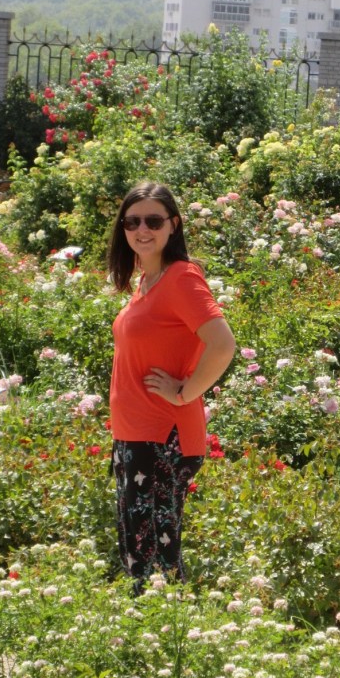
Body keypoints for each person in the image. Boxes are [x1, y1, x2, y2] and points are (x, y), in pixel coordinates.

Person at [107, 182, 236, 593]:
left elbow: (223, 343)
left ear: (173, 225)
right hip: (135, 433)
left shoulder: (181, 277)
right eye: (132, 221)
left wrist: (184, 392)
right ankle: (148, 639)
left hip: (163, 435)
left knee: (154, 556)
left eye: (153, 220)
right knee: (137, 545)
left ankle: (168, 641)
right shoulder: (147, 282)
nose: (141, 229)